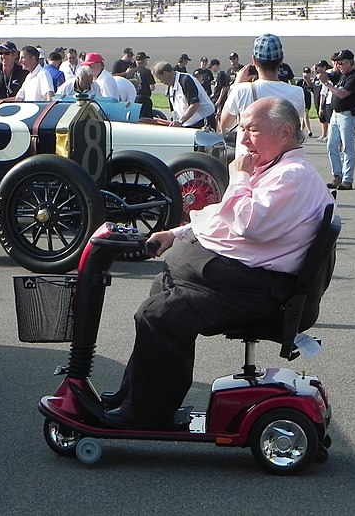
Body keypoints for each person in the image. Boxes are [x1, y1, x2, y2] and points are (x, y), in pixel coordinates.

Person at [98, 97, 336, 430]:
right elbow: (222, 219)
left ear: (284, 133)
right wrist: (177, 234)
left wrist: (237, 178)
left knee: (159, 316)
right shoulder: (275, 169)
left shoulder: (292, 176)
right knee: (160, 295)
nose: (244, 138)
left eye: (252, 130)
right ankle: (136, 395)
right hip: (237, 276)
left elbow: (249, 223)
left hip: (256, 288)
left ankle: (146, 414)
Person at [219, 34, 305, 147]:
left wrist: (236, 84)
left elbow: (224, 124)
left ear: (254, 60)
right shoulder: (297, 92)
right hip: (283, 160)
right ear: (281, 60)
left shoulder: (241, 90)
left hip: (249, 160)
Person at [318, 49, 355, 191]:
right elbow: (330, 74)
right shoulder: (341, 75)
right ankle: (337, 175)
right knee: (331, 145)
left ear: (350, 63)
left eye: (342, 63)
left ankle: (347, 179)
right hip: (336, 115)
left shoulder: (354, 77)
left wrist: (328, 85)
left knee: (347, 148)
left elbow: (343, 94)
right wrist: (323, 73)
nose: (339, 66)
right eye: (337, 63)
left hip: (348, 115)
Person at [151, 61, 216, 129]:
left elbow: (195, 104)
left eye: (160, 78)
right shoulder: (170, 88)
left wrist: (180, 121)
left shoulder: (185, 80)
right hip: (187, 122)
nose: (161, 82)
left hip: (202, 120)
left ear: (165, 73)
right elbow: (174, 110)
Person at [126, 51, 156, 119]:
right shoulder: (147, 72)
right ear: (144, 61)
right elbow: (152, 87)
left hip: (133, 98)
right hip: (144, 98)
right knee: (146, 119)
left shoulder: (130, 72)